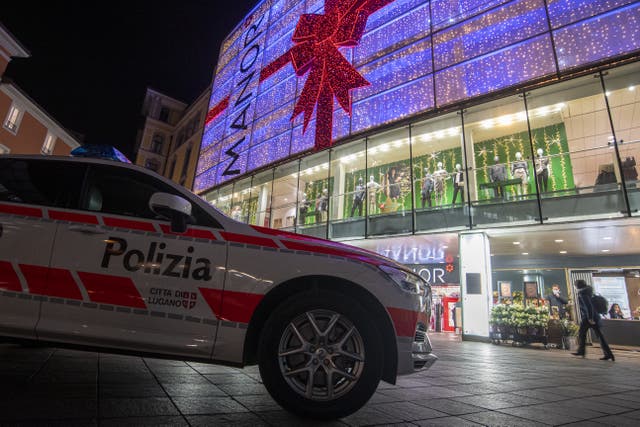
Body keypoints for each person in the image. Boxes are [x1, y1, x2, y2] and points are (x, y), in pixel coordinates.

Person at [572, 279, 614, 361]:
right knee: (600, 336)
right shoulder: (589, 292)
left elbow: (588, 306)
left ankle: (581, 351)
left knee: (582, 333)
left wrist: (590, 318)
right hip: (595, 316)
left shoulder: (583, 294)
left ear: (577, 286)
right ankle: (609, 354)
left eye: (575, 285)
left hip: (589, 317)